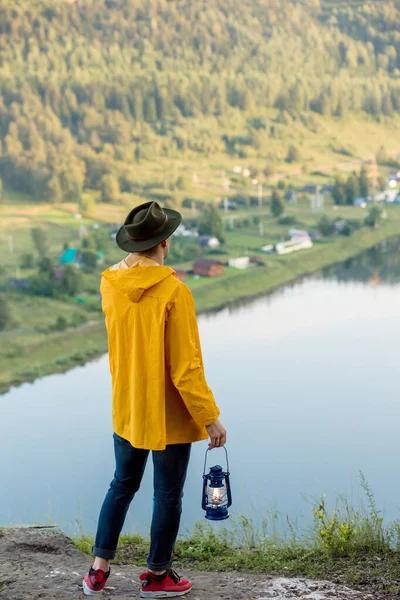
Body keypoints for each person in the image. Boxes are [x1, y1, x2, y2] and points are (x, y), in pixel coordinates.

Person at [83, 201, 226, 598]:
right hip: (168, 415)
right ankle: (158, 576)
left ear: (132, 241)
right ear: (165, 241)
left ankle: (98, 570)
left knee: (121, 484)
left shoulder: (109, 282)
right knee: (167, 494)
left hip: (127, 407)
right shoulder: (174, 292)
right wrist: (209, 417)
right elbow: (185, 369)